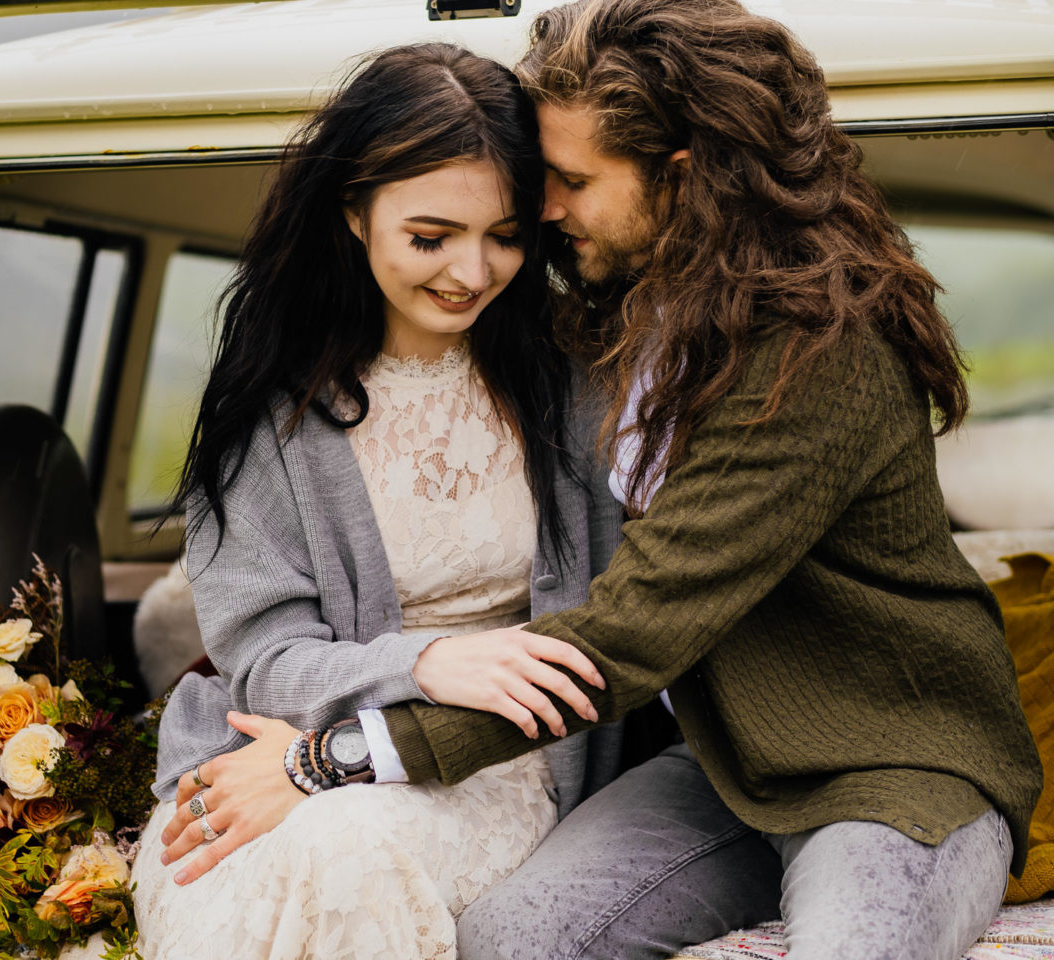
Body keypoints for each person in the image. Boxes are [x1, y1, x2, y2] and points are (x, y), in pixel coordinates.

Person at [155, 3, 1043, 959]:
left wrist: (331, 761)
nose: (539, 215)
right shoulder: (611, 319)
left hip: (886, 765)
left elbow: (629, 633)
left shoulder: (817, 352)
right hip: (716, 764)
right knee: (512, 940)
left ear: (681, 179)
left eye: (570, 181)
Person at [130, 42, 631, 959]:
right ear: (355, 213)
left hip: (498, 760)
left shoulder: (577, 376)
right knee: (276, 864)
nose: (473, 273)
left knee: (350, 849)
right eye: (432, 237)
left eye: (507, 235)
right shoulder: (270, 408)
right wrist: (426, 661)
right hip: (274, 744)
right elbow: (266, 661)